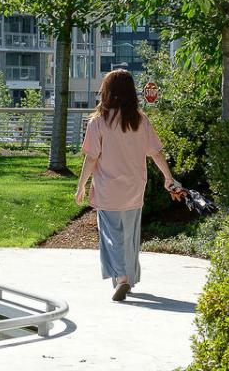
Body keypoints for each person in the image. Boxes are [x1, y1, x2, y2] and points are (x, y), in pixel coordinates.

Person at [77, 69, 182, 301]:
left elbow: (91, 158)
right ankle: (128, 279)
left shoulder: (99, 122)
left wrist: (81, 186)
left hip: (108, 190)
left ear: (108, 91)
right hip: (135, 188)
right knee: (130, 236)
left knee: (111, 236)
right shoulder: (140, 120)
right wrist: (168, 178)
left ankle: (122, 278)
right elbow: (156, 153)